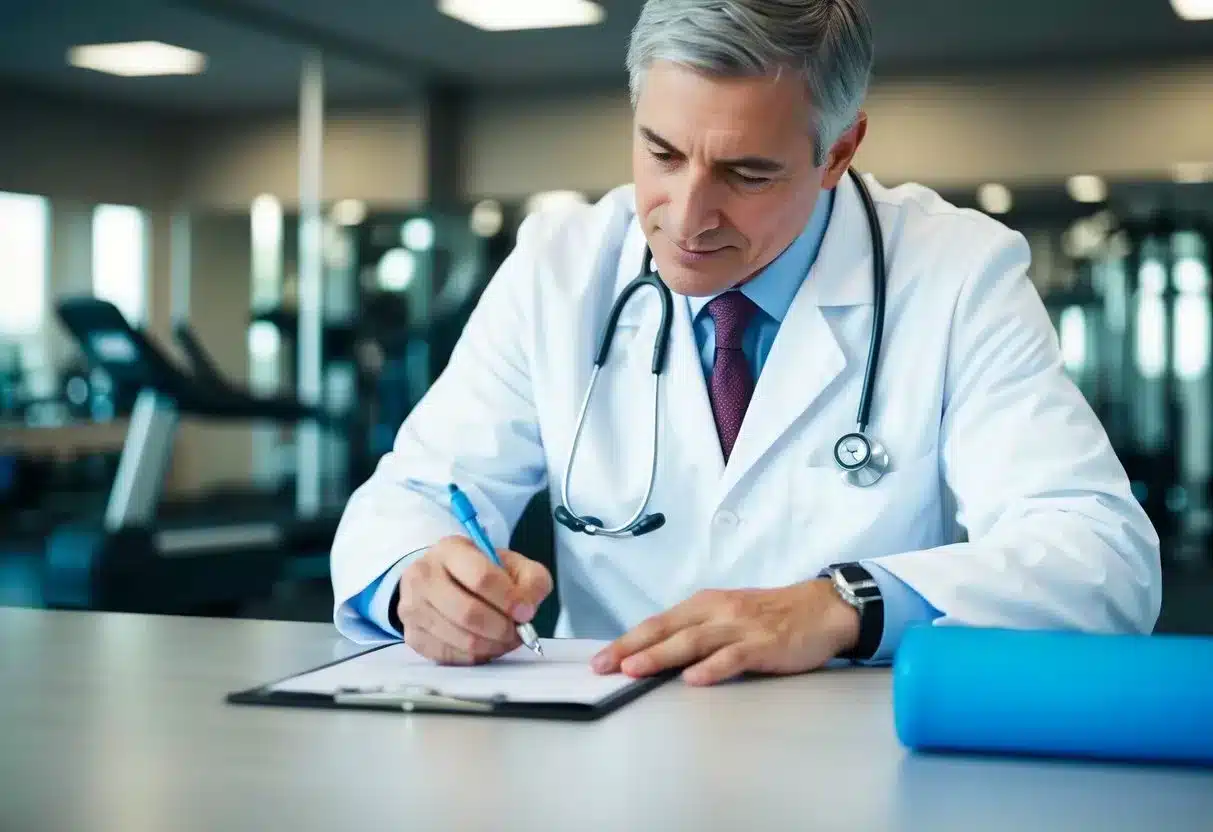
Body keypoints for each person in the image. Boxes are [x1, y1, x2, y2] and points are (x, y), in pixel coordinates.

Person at [330, 0, 1161, 686]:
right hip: (607, 752)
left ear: (837, 152)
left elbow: (1101, 558)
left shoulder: (954, 274)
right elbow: (413, 495)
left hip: (862, 760)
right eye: (659, 153)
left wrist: (845, 606)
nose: (685, 218)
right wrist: (417, 580)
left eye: (746, 174)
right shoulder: (562, 267)